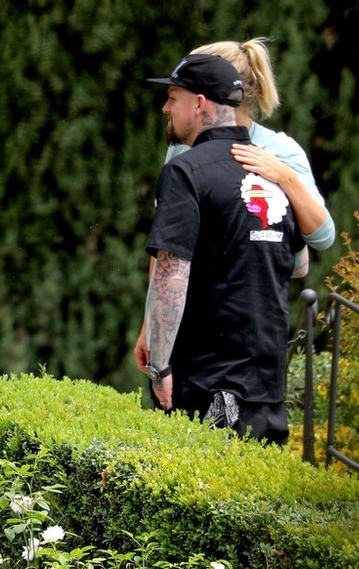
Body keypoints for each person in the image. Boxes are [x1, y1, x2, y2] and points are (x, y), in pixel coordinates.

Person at [133, 38, 333, 372]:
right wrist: (151, 328)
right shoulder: (183, 148)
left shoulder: (280, 150)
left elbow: (323, 236)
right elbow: (168, 246)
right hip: (190, 334)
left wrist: (284, 177)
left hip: (250, 336)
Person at [141, 54, 306, 445]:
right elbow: (299, 264)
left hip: (206, 383)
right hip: (266, 386)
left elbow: (171, 275)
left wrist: (160, 367)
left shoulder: (186, 171)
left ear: (199, 104)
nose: (165, 108)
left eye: (173, 98)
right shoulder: (270, 169)